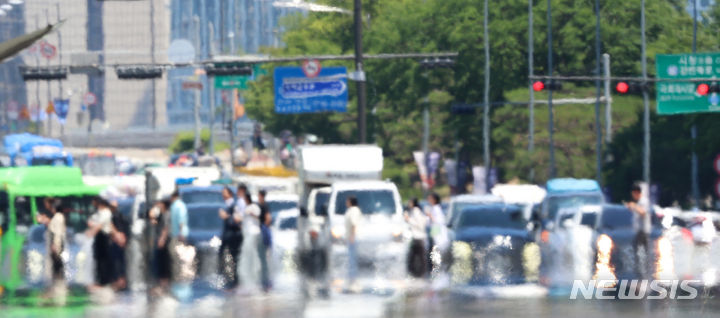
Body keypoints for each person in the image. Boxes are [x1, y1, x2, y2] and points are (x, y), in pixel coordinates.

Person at [37, 197, 66, 301]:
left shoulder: (58, 217)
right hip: (54, 245)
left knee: (56, 265)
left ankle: (56, 288)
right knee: (55, 266)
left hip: (55, 245)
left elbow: (57, 233)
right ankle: (54, 287)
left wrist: (55, 245)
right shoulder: (58, 217)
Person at [218, 186, 243, 289]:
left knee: (234, 260)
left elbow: (237, 221)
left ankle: (235, 282)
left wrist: (226, 217)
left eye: (225, 193)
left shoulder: (234, 205)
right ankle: (230, 281)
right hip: (227, 237)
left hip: (234, 237)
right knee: (226, 259)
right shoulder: (227, 205)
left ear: (230, 194)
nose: (223, 195)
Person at [88, 197, 115, 287]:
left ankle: (104, 281)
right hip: (99, 236)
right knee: (98, 259)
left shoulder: (106, 212)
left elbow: (100, 225)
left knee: (103, 259)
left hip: (104, 236)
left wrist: (92, 232)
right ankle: (99, 280)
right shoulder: (98, 212)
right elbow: (91, 221)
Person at [625, 183, 651, 274]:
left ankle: (643, 271)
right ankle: (640, 270)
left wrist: (634, 206)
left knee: (641, 252)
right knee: (638, 252)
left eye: (633, 193)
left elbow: (643, 212)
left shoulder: (643, 201)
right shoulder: (640, 202)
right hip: (639, 231)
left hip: (643, 231)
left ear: (636, 192)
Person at [239, 192, 261, 289]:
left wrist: (251, 213)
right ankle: (248, 279)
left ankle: (256, 277)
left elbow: (258, 217)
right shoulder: (245, 208)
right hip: (247, 234)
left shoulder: (254, 207)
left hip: (254, 233)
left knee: (253, 256)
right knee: (248, 256)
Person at [151, 200, 172, 293]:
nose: (158, 205)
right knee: (159, 262)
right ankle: (161, 284)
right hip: (160, 240)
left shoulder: (167, 214)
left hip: (163, 241)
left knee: (163, 262)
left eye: (160, 203)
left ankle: (164, 285)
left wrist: (162, 239)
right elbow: (154, 219)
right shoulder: (161, 214)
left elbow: (166, 228)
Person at [109, 200, 130, 291]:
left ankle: (119, 280)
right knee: (121, 261)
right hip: (121, 242)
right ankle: (121, 279)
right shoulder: (122, 216)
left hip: (116, 242)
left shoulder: (113, 216)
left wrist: (117, 237)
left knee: (116, 262)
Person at [169, 190, 189, 282]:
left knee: (178, 255)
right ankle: (177, 275)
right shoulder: (177, 205)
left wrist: (181, 233)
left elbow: (181, 221)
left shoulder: (178, 206)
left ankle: (179, 276)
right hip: (177, 234)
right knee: (176, 255)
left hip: (178, 235)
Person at [405, 198, 428, 278]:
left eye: (410, 202)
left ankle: (417, 274)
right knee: (417, 256)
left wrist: (408, 219)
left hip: (417, 237)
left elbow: (419, 224)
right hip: (417, 237)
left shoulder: (416, 211)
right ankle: (418, 274)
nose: (409, 204)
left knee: (415, 257)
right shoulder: (416, 211)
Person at [426, 193, 447, 273]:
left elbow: (438, 222)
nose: (428, 200)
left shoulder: (436, 209)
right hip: (436, 234)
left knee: (436, 253)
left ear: (434, 200)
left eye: (430, 198)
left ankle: (437, 272)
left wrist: (430, 216)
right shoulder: (434, 208)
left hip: (438, 236)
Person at [344, 196, 362, 290]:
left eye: (347, 201)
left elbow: (354, 224)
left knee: (352, 259)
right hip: (351, 236)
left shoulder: (354, 210)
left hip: (353, 237)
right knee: (351, 258)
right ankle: (352, 278)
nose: (346, 202)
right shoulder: (351, 210)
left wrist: (352, 236)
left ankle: (353, 279)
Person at [257, 190, 273, 291]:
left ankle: (266, 283)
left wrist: (263, 227)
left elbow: (268, 219)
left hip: (264, 236)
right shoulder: (263, 205)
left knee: (263, 260)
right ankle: (265, 282)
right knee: (263, 260)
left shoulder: (264, 206)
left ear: (261, 196)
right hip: (264, 235)